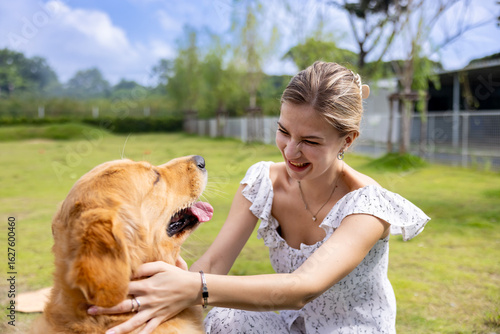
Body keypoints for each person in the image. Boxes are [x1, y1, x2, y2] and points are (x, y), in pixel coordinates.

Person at [89, 61, 430, 334]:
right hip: (286, 324)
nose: (291, 151)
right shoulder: (262, 182)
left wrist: (193, 288)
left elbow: (302, 288)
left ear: (348, 140)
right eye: (284, 131)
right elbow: (214, 264)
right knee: (220, 320)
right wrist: (148, 304)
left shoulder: (367, 206)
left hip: (348, 329)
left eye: (310, 141)